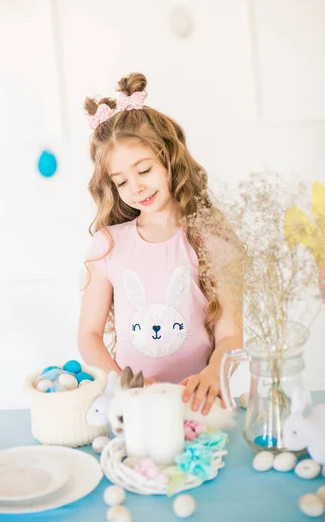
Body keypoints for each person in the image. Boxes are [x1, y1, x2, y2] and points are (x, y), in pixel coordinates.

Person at [77, 72, 244, 415]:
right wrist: (123, 384)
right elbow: (89, 335)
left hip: (199, 404)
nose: (136, 187)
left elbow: (230, 332)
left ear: (169, 157)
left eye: (144, 170)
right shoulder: (107, 245)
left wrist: (214, 372)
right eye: (121, 181)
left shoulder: (212, 238)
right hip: (133, 405)